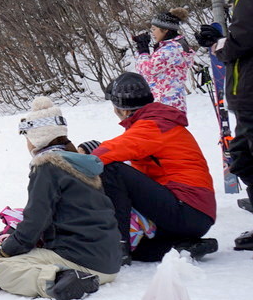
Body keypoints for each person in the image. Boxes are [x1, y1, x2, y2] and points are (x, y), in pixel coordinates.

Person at [0, 97, 122, 300]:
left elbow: (35, 222)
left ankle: (60, 281)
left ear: (36, 139)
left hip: (83, 261)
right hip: (110, 262)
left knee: (3, 269)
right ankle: (68, 276)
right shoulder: (80, 165)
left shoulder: (46, 167)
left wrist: (3, 252)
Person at [78, 72, 217, 262]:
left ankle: (117, 246)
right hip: (194, 213)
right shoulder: (157, 122)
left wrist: (74, 164)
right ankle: (184, 246)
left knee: (111, 170)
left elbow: (110, 153)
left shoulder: (153, 125)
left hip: (186, 207)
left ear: (120, 109)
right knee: (141, 250)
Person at [198, 0, 253, 257]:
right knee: (244, 157)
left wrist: (220, 45)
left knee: (252, 158)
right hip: (249, 91)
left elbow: (245, 39)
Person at [133, 8, 193, 112]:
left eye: (154, 29)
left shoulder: (170, 50)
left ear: (165, 29)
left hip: (166, 105)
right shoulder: (174, 46)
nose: (152, 33)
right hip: (170, 103)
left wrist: (143, 51)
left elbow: (146, 70)